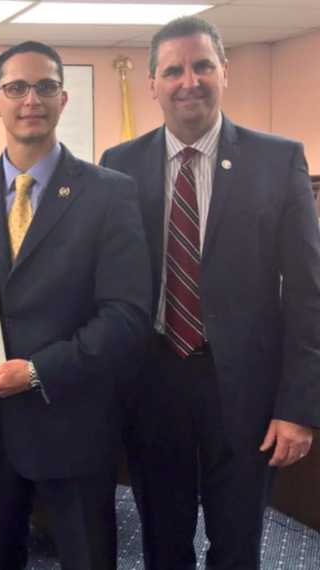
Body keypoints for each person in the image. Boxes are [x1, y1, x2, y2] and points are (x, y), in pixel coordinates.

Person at [100, 15, 320, 570]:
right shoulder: (118, 167)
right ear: (151, 83)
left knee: (237, 542)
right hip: (152, 384)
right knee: (162, 543)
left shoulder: (279, 160)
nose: (188, 81)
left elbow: (308, 293)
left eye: (202, 66)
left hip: (245, 393)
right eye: (172, 70)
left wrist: (298, 408)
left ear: (225, 71)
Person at [0, 41, 152, 569]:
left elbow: (127, 316)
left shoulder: (109, 193)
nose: (30, 99)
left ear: (64, 99)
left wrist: (37, 371)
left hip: (73, 422)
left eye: (45, 86)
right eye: (16, 87)